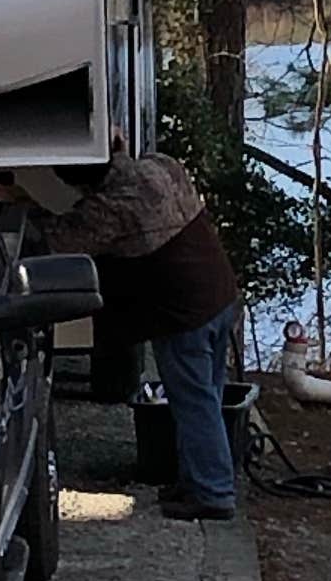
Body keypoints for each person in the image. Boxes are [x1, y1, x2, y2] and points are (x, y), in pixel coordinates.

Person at [14, 146, 243, 522]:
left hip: (183, 314)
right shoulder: (160, 167)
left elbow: (55, 241)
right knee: (209, 398)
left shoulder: (111, 208)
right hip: (220, 294)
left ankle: (213, 493)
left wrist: (23, 205)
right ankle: (196, 480)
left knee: (194, 404)